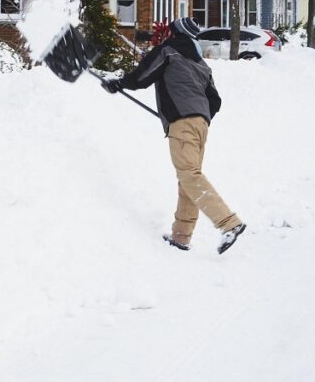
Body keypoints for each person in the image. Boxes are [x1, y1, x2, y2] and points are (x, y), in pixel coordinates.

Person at [102, 17, 246, 255]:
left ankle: (229, 223)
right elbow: (215, 100)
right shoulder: (201, 65)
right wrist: (198, 115)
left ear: (175, 34)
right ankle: (181, 236)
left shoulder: (168, 51)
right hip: (201, 125)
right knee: (188, 178)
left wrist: (119, 83)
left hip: (184, 125)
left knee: (189, 175)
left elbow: (141, 77)